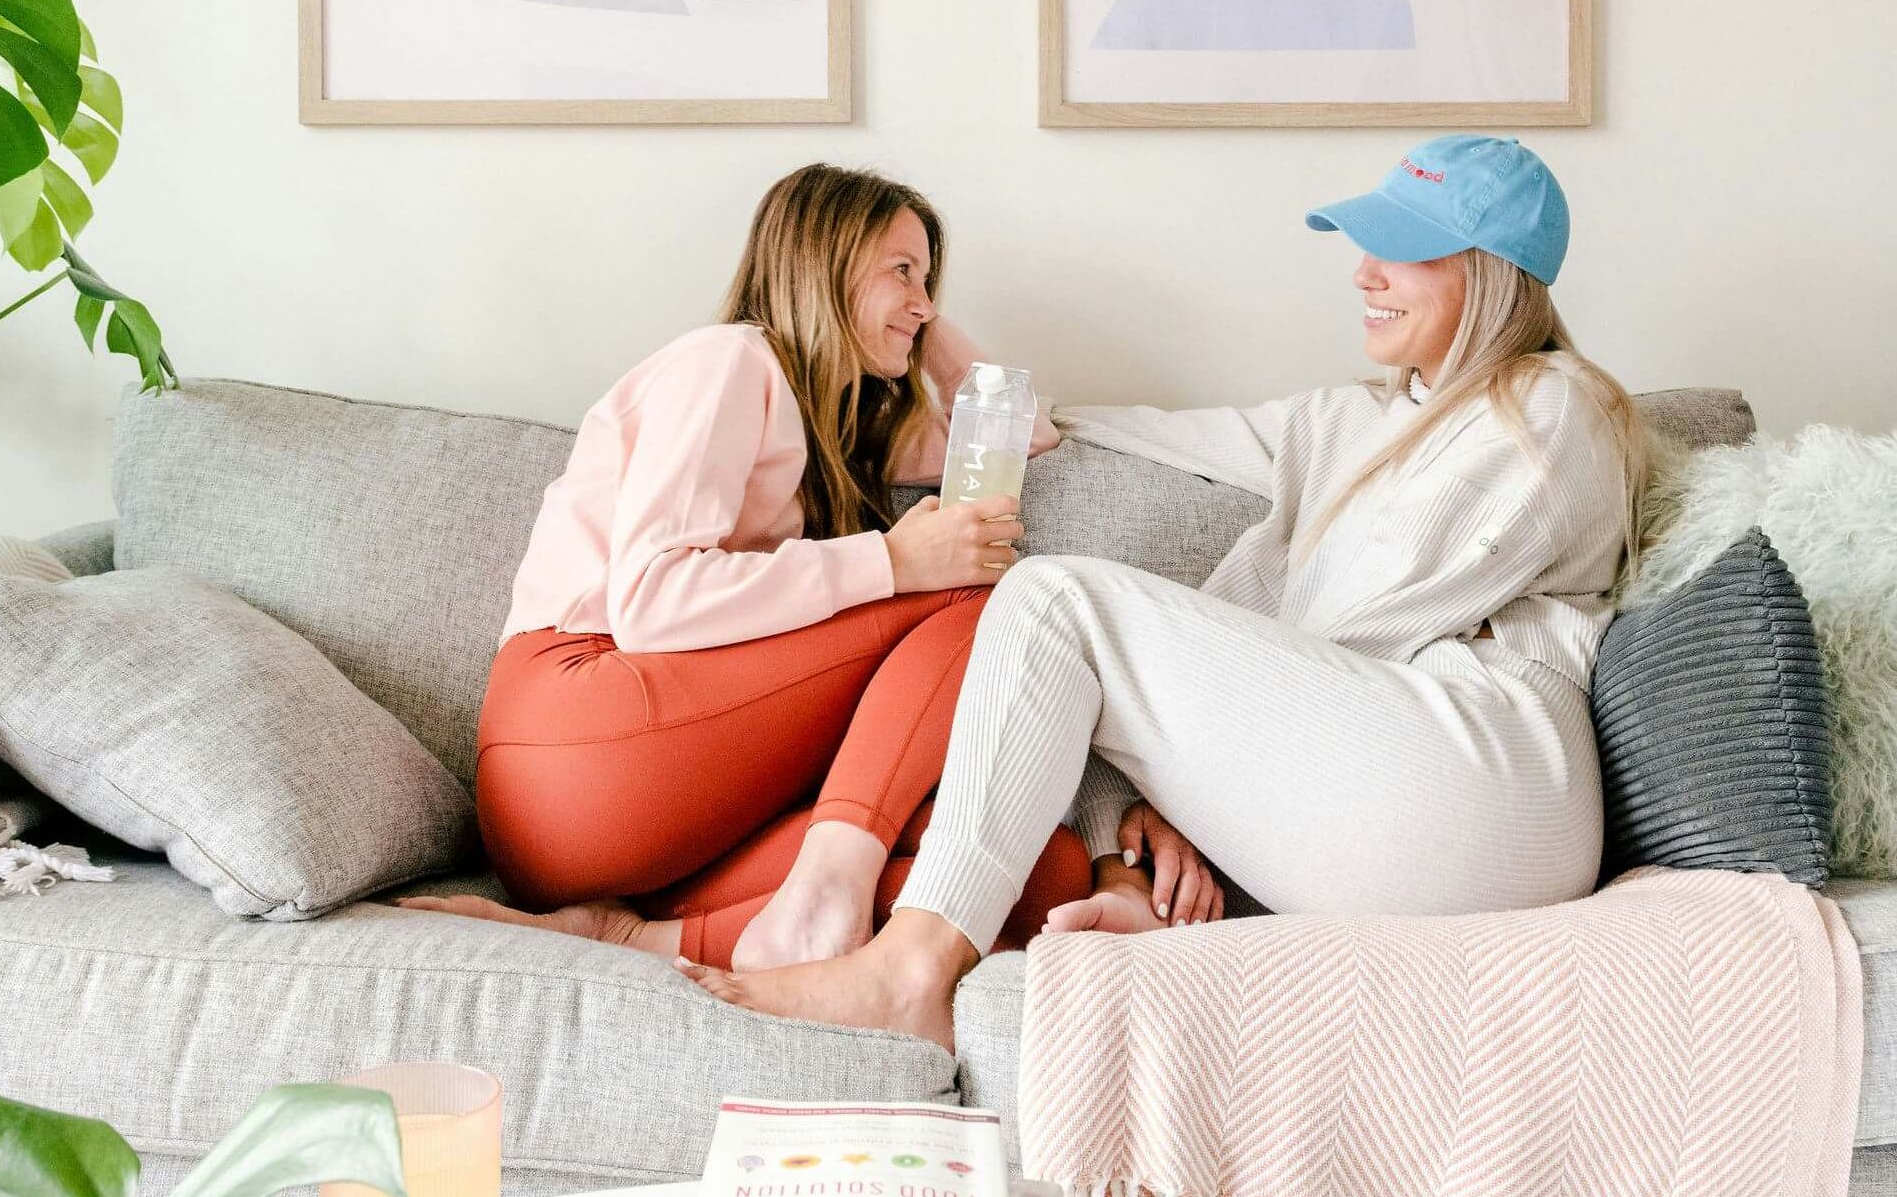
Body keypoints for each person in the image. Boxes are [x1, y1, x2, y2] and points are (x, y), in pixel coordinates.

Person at [679, 135, 1652, 1047]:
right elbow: (1076, 429)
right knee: (1061, 634)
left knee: (1053, 602)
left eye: (1399, 248)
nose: (1363, 272)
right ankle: (1156, 913)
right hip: (1380, 803)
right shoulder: (1343, 422)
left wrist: (1187, 770)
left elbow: (1376, 611)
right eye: (1365, 246)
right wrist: (938, 340)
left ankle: (910, 970)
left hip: (1490, 783)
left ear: (1487, 271)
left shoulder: (1551, 403)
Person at [400, 163, 1143, 971]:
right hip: (579, 724)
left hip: (659, 810)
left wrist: (913, 310)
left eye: (929, 281)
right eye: (900, 270)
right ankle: (828, 888)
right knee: (984, 589)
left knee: (1045, 877)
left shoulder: (835, 423)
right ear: (821, 263)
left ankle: (632, 936)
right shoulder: (728, 360)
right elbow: (651, 599)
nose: (925, 303)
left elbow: (1022, 431)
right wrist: (892, 560)